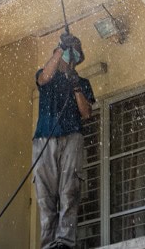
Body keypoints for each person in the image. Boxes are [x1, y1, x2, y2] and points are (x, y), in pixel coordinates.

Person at [33, 32, 95, 249]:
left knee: (69, 190)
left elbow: (86, 112)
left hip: (72, 138)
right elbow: (43, 78)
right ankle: (49, 243)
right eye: (68, 53)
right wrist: (61, 48)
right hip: (44, 139)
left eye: (74, 55)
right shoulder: (47, 76)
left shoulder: (82, 82)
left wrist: (76, 86)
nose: (71, 59)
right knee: (45, 194)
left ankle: (65, 242)